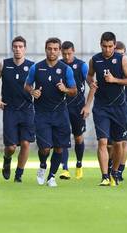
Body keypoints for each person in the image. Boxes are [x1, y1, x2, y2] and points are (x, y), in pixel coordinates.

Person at [82, 32, 127, 186]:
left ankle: (115, 172)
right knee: (103, 142)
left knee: (118, 144)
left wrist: (114, 80)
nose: (107, 49)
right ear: (100, 45)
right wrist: (91, 82)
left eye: (110, 46)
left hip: (119, 108)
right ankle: (104, 176)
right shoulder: (95, 60)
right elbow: (89, 75)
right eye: (104, 46)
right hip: (101, 108)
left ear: (114, 44)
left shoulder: (122, 60)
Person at [24, 37, 77, 187]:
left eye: (55, 49)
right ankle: (42, 166)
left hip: (60, 113)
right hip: (41, 113)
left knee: (59, 147)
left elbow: (74, 91)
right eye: (49, 49)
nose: (52, 52)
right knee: (45, 148)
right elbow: (27, 85)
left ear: (59, 51)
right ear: (45, 49)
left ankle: (51, 177)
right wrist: (33, 91)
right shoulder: (36, 67)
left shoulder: (66, 69)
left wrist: (65, 89)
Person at [0, 36, 35, 183]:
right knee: (11, 147)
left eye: (20, 47)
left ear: (25, 48)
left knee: (25, 143)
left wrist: (37, 93)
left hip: (27, 110)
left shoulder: (32, 66)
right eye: (15, 47)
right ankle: (7, 160)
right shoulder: (3, 65)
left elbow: (38, 86)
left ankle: (19, 174)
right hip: (9, 110)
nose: (18, 49)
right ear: (12, 48)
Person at [58, 41, 88, 180]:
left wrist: (87, 106)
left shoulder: (82, 66)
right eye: (64, 54)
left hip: (78, 107)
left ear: (74, 51)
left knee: (78, 137)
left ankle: (79, 164)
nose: (66, 56)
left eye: (69, 54)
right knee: (63, 138)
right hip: (62, 108)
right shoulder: (58, 66)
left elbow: (93, 85)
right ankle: (64, 169)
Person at [110, 41, 127, 182]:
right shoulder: (108, 67)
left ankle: (120, 170)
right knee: (110, 143)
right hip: (109, 108)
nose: (120, 56)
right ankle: (111, 166)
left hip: (125, 109)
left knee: (123, 142)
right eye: (118, 54)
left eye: (122, 54)